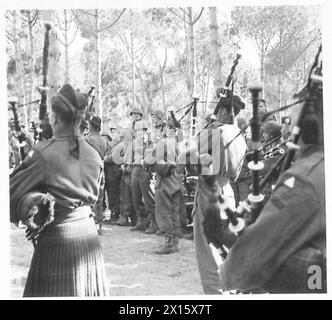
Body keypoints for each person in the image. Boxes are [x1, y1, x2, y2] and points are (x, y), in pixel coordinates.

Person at [218, 78, 325, 293]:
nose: (287, 132)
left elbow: (245, 268)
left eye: (292, 127)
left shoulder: (306, 179)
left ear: (309, 128)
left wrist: (230, 243)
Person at [10, 84, 109, 297]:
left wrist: (29, 204)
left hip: (58, 243)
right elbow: (95, 198)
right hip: (89, 239)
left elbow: (10, 193)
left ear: (54, 118)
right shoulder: (94, 153)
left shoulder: (44, 153)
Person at [176, 120, 247, 294]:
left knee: (209, 255)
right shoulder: (238, 134)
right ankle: (229, 290)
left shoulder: (217, 132)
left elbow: (184, 155)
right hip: (226, 190)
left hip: (209, 194)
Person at [130, 107, 156, 232]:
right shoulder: (134, 140)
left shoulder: (150, 142)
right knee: (136, 197)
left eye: (141, 130)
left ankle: (153, 223)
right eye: (137, 130)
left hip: (145, 169)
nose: (139, 131)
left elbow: (152, 154)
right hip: (135, 168)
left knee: (148, 197)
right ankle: (141, 221)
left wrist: (148, 165)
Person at [86, 116, 108, 232]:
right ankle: (100, 223)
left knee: (92, 197)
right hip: (101, 169)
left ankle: (94, 223)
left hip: (91, 170)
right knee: (100, 197)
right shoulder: (103, 140)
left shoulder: (89, 140)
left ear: (90, 126)